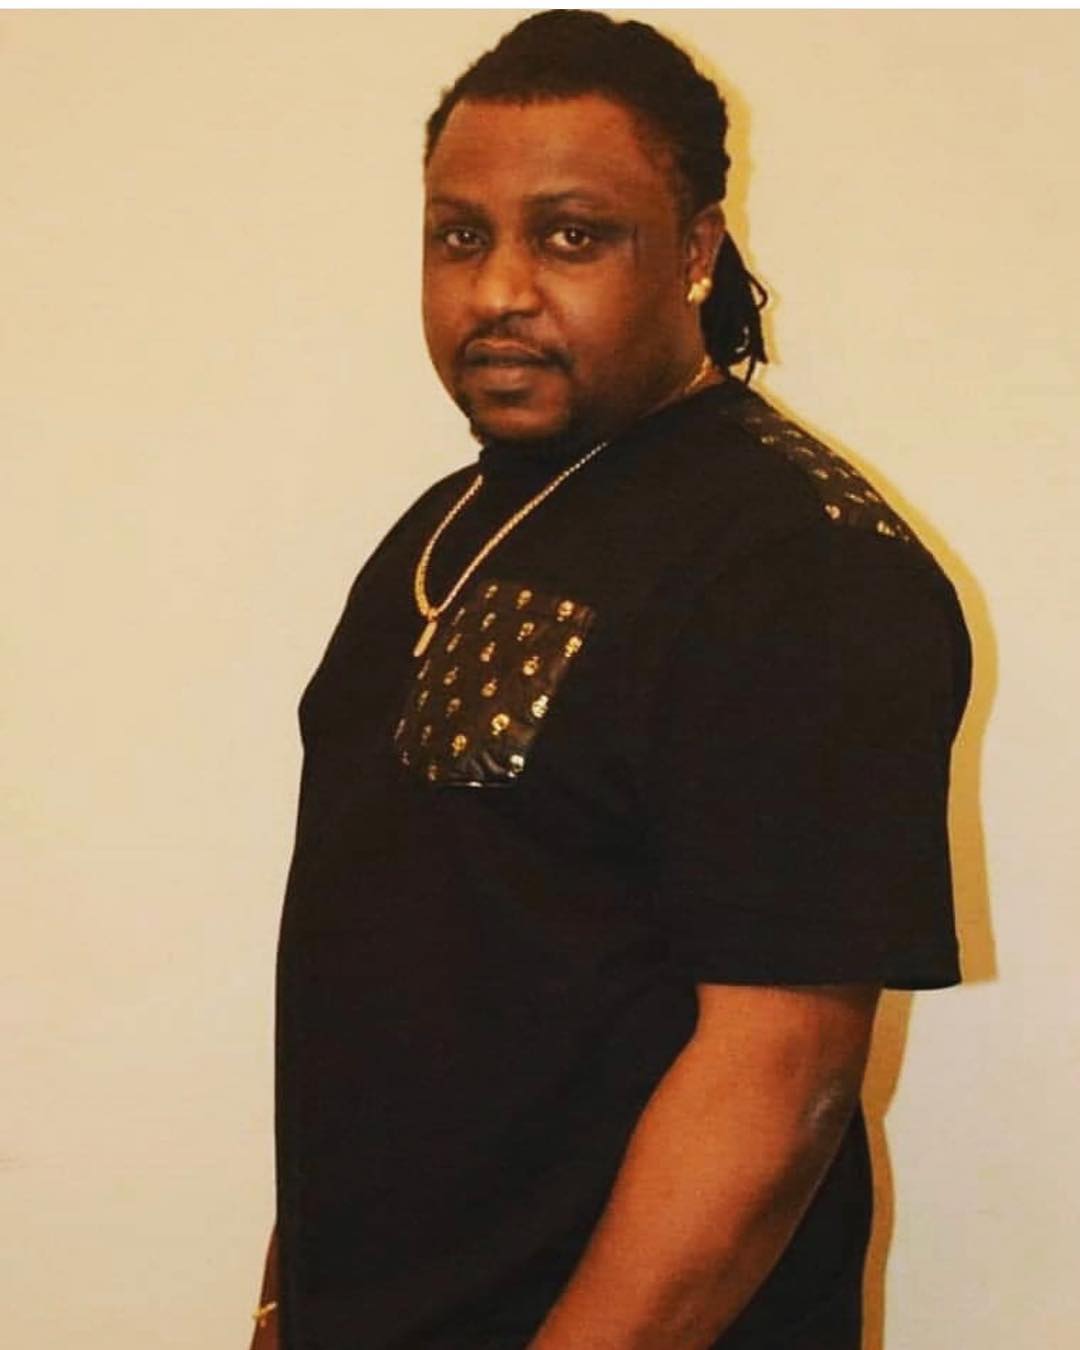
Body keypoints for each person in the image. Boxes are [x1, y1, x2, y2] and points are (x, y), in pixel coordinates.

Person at [250, 11, 971, 1348]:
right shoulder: (442, 532)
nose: (500, 289)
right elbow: (378, 980)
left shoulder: (792, 559)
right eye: (459, 236)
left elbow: (779, 1078)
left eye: (572, 235)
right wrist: (287, 1301)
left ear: (695, 250)